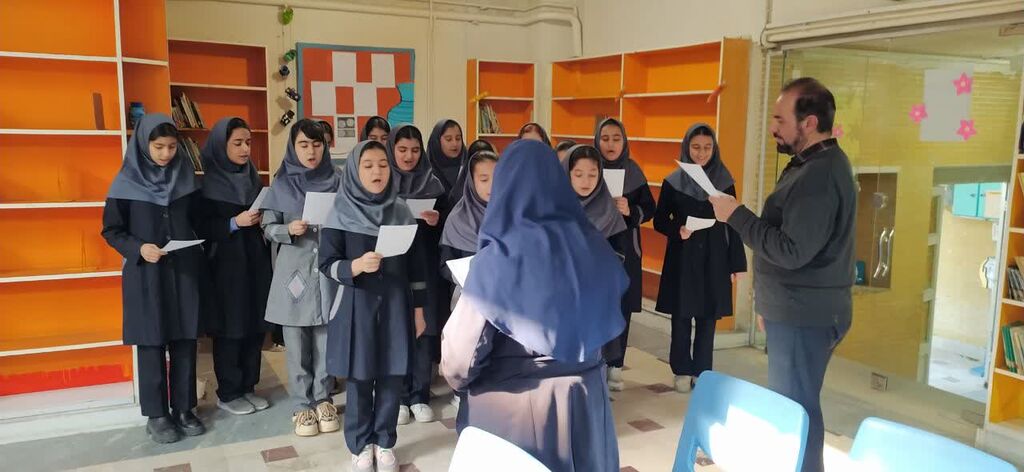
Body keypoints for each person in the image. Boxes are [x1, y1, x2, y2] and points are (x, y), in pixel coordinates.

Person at [442, 139, 626, 471]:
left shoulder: (496, 260)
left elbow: (460, 361)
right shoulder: (596, 247)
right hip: (587, 406)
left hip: (516, 415)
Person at [709, 78, 855, 472]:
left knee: (795, 411)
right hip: (793, 309)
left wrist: (735, 215)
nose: (772, 127)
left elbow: (792, 250)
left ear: (809, 123)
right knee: (795, 406)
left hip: (804, 313)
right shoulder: (810, 165)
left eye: (779, 119)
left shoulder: (820, 175)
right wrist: (769, 302)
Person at [101, 114, 207, 444]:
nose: (166, 154)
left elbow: (199, 221)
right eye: (159, 147)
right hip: (145, 275)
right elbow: (111, 230)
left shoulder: (186, 178)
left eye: (172, 147)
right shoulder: (125, 184)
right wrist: (138, 248)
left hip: (183, 272)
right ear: (143, 145)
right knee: (151, 342)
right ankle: (157, 414)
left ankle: (184, 408)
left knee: (185, 340)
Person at [319, 140, 422, 472]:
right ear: (354, 170)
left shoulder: (401, 210)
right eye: (368, 165)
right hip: (356, 306)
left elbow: (416, 266)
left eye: (382, 164)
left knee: (392, 374)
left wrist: (419, 310)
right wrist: (355, 266)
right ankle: (360, 443)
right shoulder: (339, 211)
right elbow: (326, 263)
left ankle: (385, 442)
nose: (377, 171)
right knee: (360, 377)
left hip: (395, 304)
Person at [260, 119, 343, 438]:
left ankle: (323, 398)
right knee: (296, 342)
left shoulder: (337, 180)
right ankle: (301, 404)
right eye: (304, 145)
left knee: (325, 338)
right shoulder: (281, 184)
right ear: (293, 147)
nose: (311, 151)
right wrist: (288, 229)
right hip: (294, 273)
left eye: (317, 144)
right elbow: (267, 228)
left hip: (327, 270)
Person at [653, 123, 746, 393]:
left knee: (708, 318)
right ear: (686, 148)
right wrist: (678, 229)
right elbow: (660, 220)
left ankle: (702, 371)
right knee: (681, 317)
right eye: (695, 147)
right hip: (683, 256)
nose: (701, 153)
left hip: (714, 257)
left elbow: (733, 221)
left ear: (714, 148)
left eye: (707, 147)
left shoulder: (724, 180)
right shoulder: (673, 181)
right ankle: (681, 369)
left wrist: (737, 263)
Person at [197, 117, 274, 415]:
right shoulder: (207, 185)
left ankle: (248, 386)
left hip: (255, 260)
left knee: (255, 325)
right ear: (221, 146)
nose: (245, 150)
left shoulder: (252, 178)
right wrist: (233, 222)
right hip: (225, 267)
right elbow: (201, 227)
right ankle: (228, 393)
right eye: (237, 143)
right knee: (231, 328)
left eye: (248, 143)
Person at [384, 124, 445, 425]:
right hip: (392, 266)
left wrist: (436, 221)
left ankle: (420, 394)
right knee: (396, 329)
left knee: (424, 328)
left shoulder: (433, 183)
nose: (409, 156)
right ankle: (397, 396)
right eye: (402, 149)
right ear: (391, 150)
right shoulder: (382, 184)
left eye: (415, 150)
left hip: (425, 264)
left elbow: (447, 226)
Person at [594, 118, 656, 391]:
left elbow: (650, 208)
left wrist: (631, 210)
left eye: (616, 138)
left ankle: (616, 367)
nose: (610, 144)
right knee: (597, 306)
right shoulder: (590, 168)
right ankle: (597, 363)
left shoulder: (633, 171)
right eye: (605, 138)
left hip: (627, 250)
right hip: (596, 250)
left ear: (624, 141)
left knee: (622, 307)